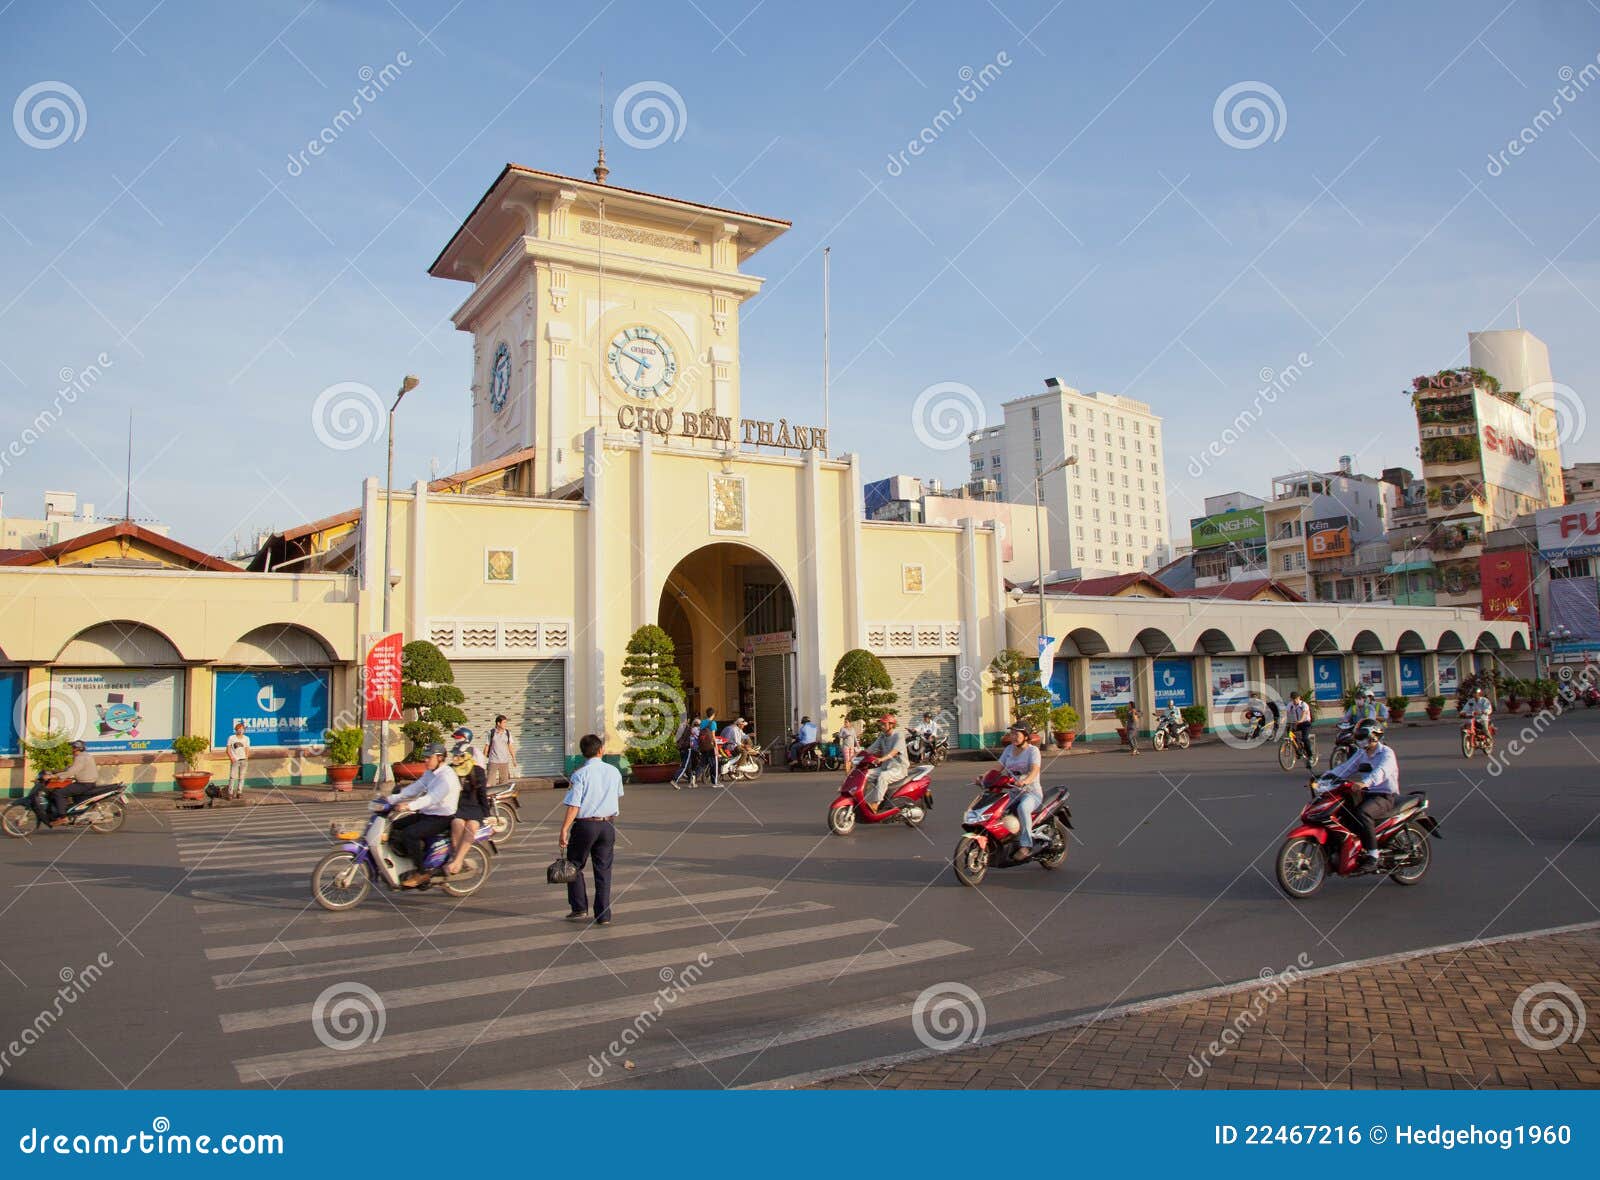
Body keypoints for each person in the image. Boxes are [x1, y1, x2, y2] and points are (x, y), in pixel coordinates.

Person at [559, 732, 623, 925]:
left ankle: (579, 908)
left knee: (574, 865)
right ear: (601, 750)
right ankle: (603, 915)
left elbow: (574, 805)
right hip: (608, 825)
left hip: (585, 825)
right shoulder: (614, 771)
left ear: (582, 753)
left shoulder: (579, 774)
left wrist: (564, 829)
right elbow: (617, 794)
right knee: (603, 869)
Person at [1323, 721, 1400, 867]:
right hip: (1366, 793)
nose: (1359, 739)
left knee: (1362, 813)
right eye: (1357, 736)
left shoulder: (1387, 753)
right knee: (1342, 810)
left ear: (1374, 736)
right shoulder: (1361, 753)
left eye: (1362, 735)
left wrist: (1365, 782)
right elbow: (1346, 768)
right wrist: (1325, 777)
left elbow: (1381, 772)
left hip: (1384, 795)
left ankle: (1373, 854)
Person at [388, 743, 461, 887]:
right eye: (425, 758)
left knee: (410, 834)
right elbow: (415, 788)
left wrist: (408, 806)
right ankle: (410, 861)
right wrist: (390, 799)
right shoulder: (430, 773)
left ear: (440, 758)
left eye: (429, 758)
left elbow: (432, 798)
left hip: (442, 817)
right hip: (427, 814)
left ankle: (421, 872)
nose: (425, 760)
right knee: (394, 826)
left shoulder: (447, 777)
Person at [997, 722, 1043, 859]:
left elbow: (1034, 771)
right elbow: (997, 768)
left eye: (1016, 734)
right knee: (998, 810)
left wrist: (1025, 781)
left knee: (1022, 808)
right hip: (1014, 792)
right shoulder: (1008, 750)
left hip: (1031, 793)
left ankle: (1026, 846)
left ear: (1026, 736)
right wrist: (984, 777)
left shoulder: (1033, 751)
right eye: (1011, 734)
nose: (1013, 737)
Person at [444, 742, 489, 876]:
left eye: (458, 755)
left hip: (474, 808)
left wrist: (487, 815)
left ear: (467, 756)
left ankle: (457, 861)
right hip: (457, 807)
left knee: (472, 826)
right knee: (457, 823)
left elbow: (482, 794)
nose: (455, 758)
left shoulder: (478, 771)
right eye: (454, 755)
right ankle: (459, 859)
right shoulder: (450, 770)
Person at [47, 740, 101, 826]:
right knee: (68, 791)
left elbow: (71, 771)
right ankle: (72, 814)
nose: (71, 749)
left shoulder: (80, 758)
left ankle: (63, 818)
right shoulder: (85, 756)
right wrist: (55, 771)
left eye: (72, 748)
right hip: (87, 783)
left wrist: (53, 776)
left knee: (58, 793)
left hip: (84, 784)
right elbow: (70, 768)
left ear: (76, 749)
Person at [863, 714, 909, 806]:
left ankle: (875, 804)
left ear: (891, 725)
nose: (882, 726)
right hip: (885, 767)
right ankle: (862, 800)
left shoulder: (898, 735)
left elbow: (894, 752)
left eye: (884, 724)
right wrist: (857, 755)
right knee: (865, 774)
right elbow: (871, 748)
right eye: (881, 724)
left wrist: (881, 759)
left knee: (883, 776)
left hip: (898, 769)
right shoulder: (882, 736)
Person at [485, 715, 516, 786]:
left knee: (504, 783)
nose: (505, 724)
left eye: (506, 722)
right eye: (504, 722)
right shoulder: (491, 732)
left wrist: (514, 758)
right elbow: (487, 746)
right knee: (490, 783)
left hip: (504, 761)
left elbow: (510, 746)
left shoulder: (507, 733)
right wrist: (483, 759)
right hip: (493, 761)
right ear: (498, 723)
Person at [1286, 691, 1315, 767]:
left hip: (1305, 723)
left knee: (1305, 738)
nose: (1294, 701)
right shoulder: (1290, 705)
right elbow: (1286, 713)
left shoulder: (1303, 705)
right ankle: (1298, 750)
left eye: (1295, 699)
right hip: (1296, 723)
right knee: (1290, 733)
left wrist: (1300, 720)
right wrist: (1282, 721)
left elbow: (1304, 714)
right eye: (1293, 699)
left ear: (1299, 698)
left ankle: (1310, 756)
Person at [225, 722, 250, 800]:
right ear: (236, 730)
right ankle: (230, 793)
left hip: (244, 760)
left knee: (242, 777)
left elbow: (247, 749)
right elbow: (228, 750)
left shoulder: (246, 738)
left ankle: (239, 792)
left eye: (242, 729)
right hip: (235, 760)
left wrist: (246, 757)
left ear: (244, 730)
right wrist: (231, 758)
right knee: (232, 777)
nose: (240, 730)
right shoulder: (231, 738)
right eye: (239, 729)